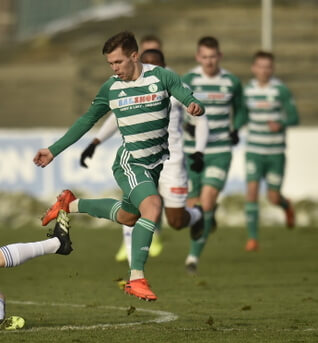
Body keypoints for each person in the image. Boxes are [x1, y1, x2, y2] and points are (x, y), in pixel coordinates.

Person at [33, 31, 205, 301]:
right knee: (152, 207)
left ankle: (69, 204)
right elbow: (86, 121)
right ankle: (136, 278)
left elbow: (186, 95)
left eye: (118, 62)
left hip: (155, 163)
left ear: (134, 56)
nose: (114, 69)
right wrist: (54, 150)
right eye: (110, 64)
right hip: (130, 162)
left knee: (129, 217)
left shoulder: (161, 77)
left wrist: (195, 106)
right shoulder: (111, 87)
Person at [79, 49, 209, 271]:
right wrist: (96, 141)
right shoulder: (129, 85)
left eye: (154, 64)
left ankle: (197, 216)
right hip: (139, 157)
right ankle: (135, 270)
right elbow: (114, 115)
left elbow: (200, 119)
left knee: (176, 221)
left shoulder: (172, 83)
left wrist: (199, 151)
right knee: (135, 208)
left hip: (172, 159)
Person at [182, 36, 247, 274]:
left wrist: (236, 129)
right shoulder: (188, 80)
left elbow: (241, 110)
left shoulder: (231, 82)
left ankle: (192, 258)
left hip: (220, 150)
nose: (209, 61)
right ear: (198, 57)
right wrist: (185, 126)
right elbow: (174, 108)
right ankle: (208, 216)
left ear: (219, 56)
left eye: (213, 56)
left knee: (206, 203)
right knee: (192, 206)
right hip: (192, 151)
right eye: (205, 57)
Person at [243, 50, 298, 251]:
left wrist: (281, 123)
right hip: (254, 150)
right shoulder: (247, 90)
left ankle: (286, 205)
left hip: (275, 152)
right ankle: (252, 239)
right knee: (251, 192)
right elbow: (242, 115)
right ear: (254, 68)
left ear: (272, 69)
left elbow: (294, 117)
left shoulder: (280, 90)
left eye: (268, 67)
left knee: (273, 197)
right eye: (260, 66)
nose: (264, 71)